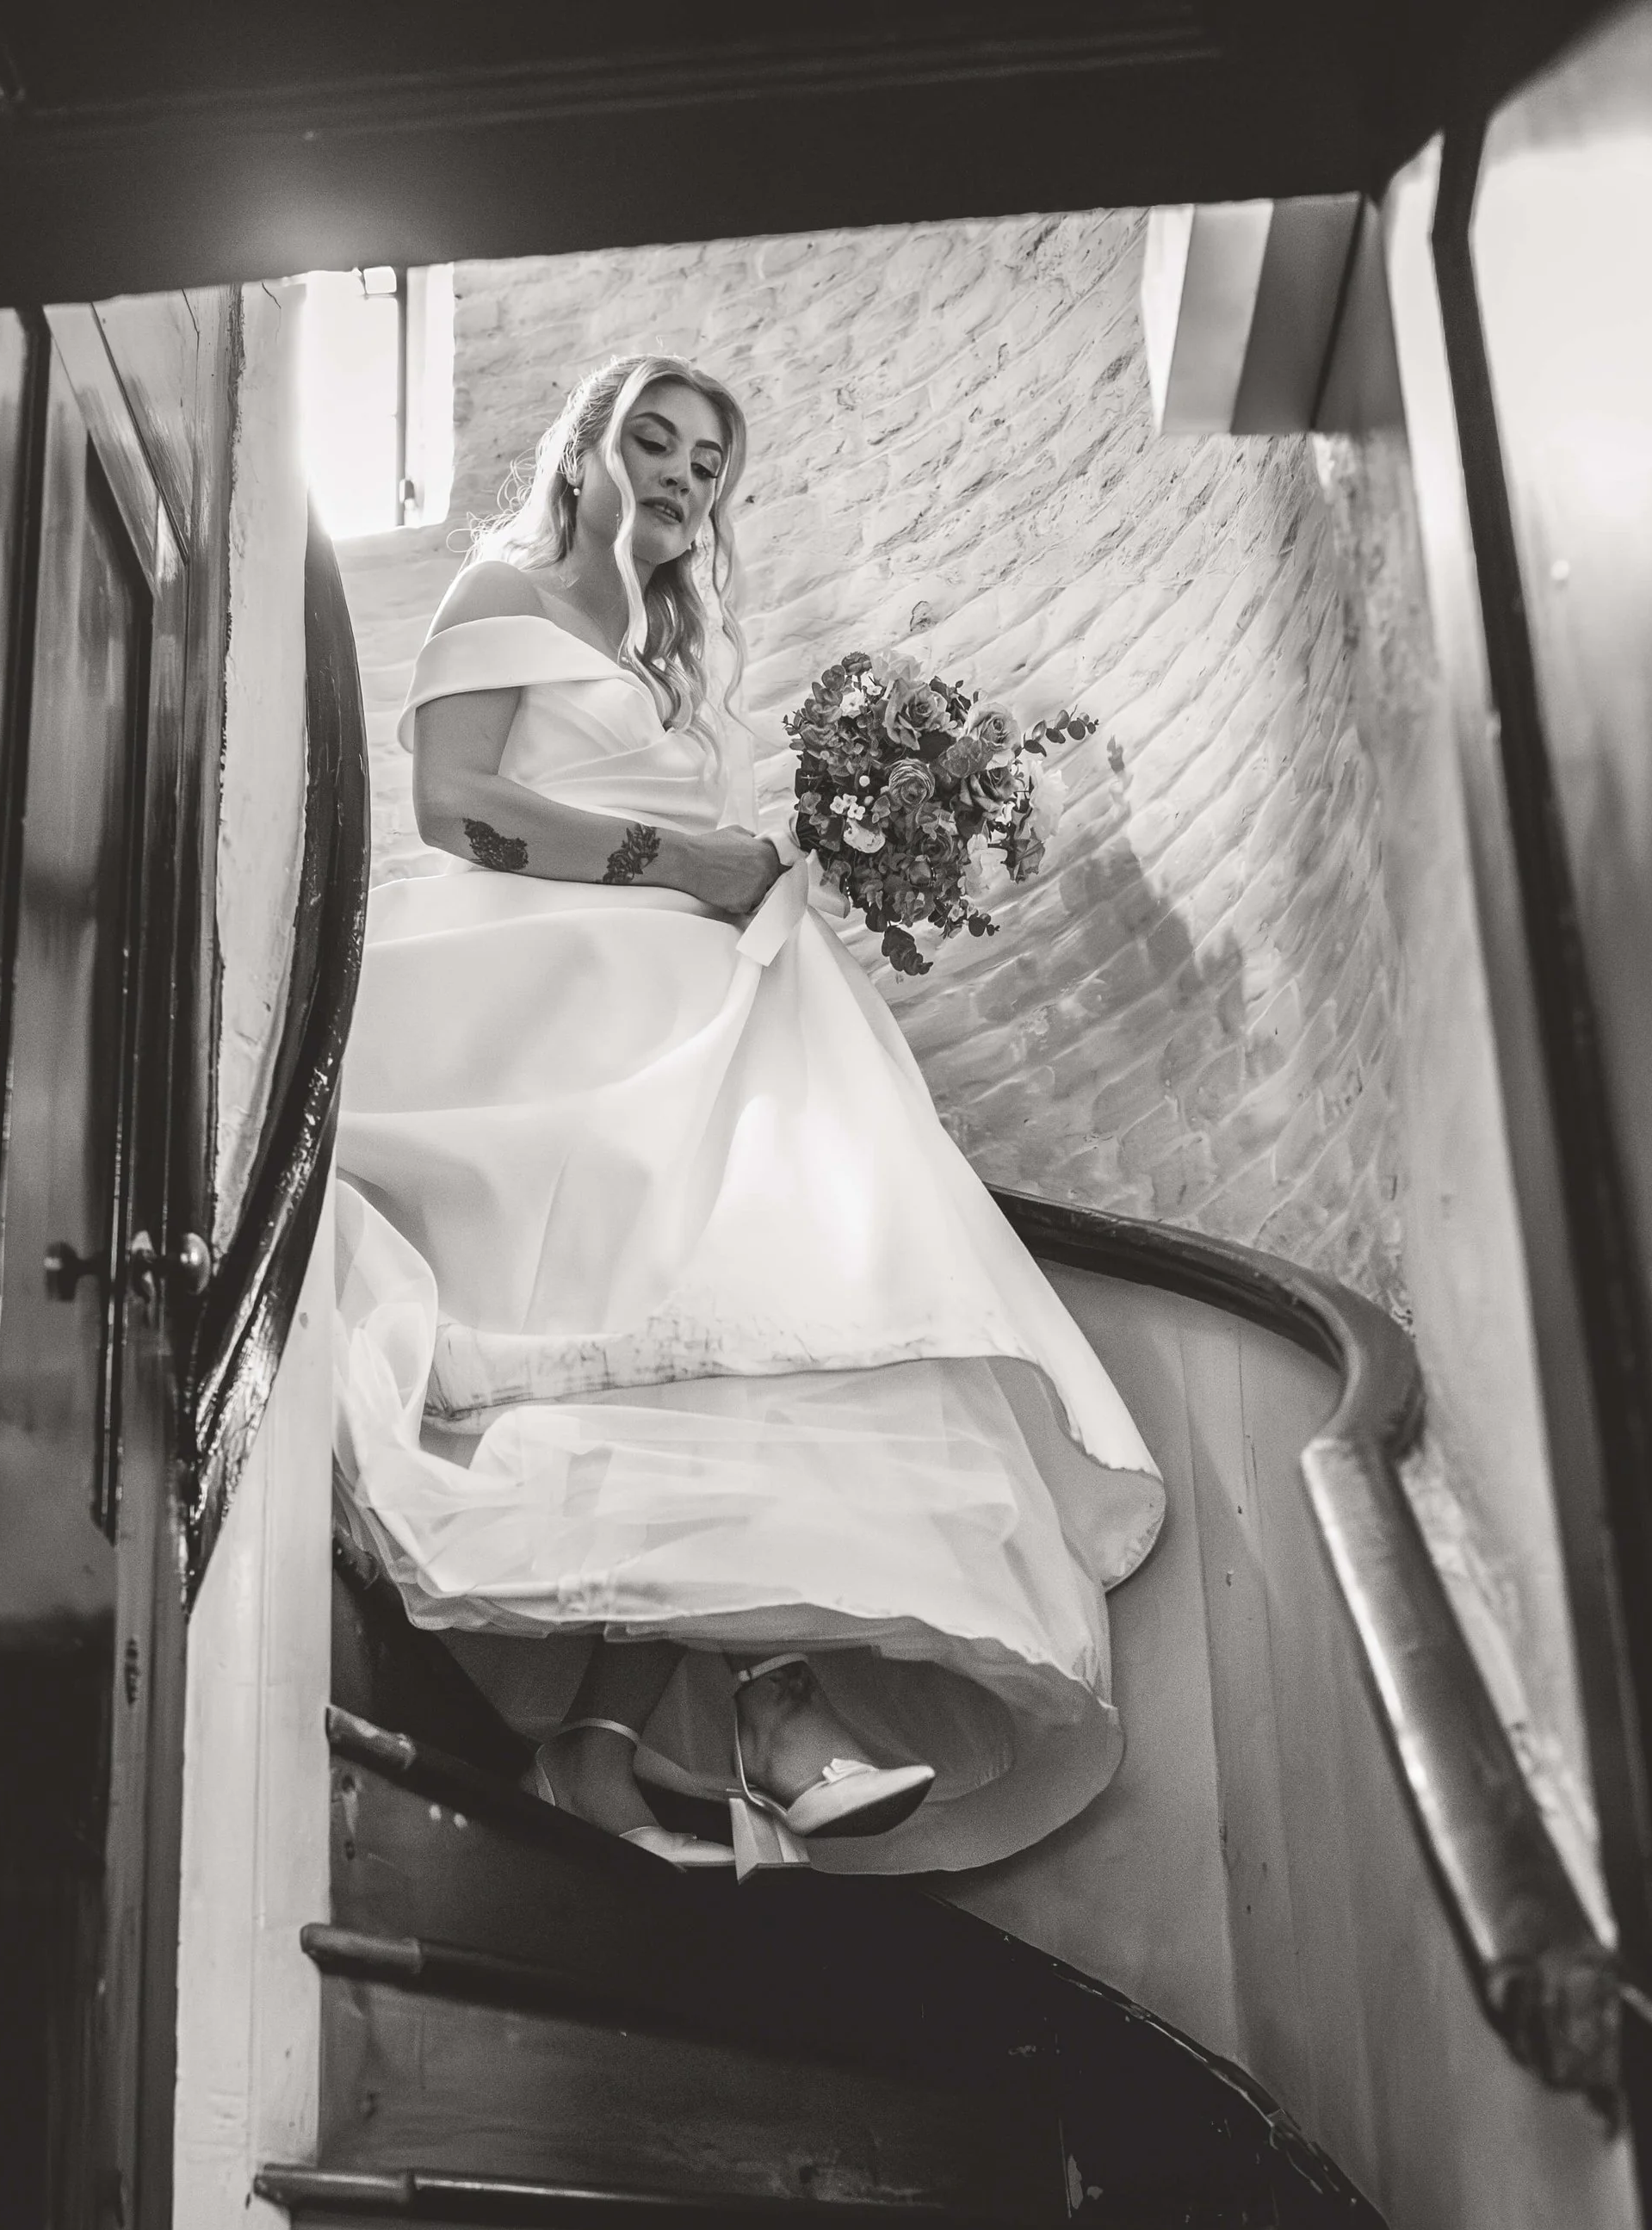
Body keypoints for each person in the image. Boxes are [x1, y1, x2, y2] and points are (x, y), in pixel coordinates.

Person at [332, 351, 1165, 1879]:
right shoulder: (502, 598)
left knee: (765, 1306)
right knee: (677, 1305)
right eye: (649, 441)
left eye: (707, 463)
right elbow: (455, 805)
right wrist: (683, 862)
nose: (677, 475)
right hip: (550, 1007)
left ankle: (634, 1741)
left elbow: (702, 840)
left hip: (700, 1003)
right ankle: (765, 1724)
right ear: (582, 450)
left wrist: (794, 857)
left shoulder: (677, 644)